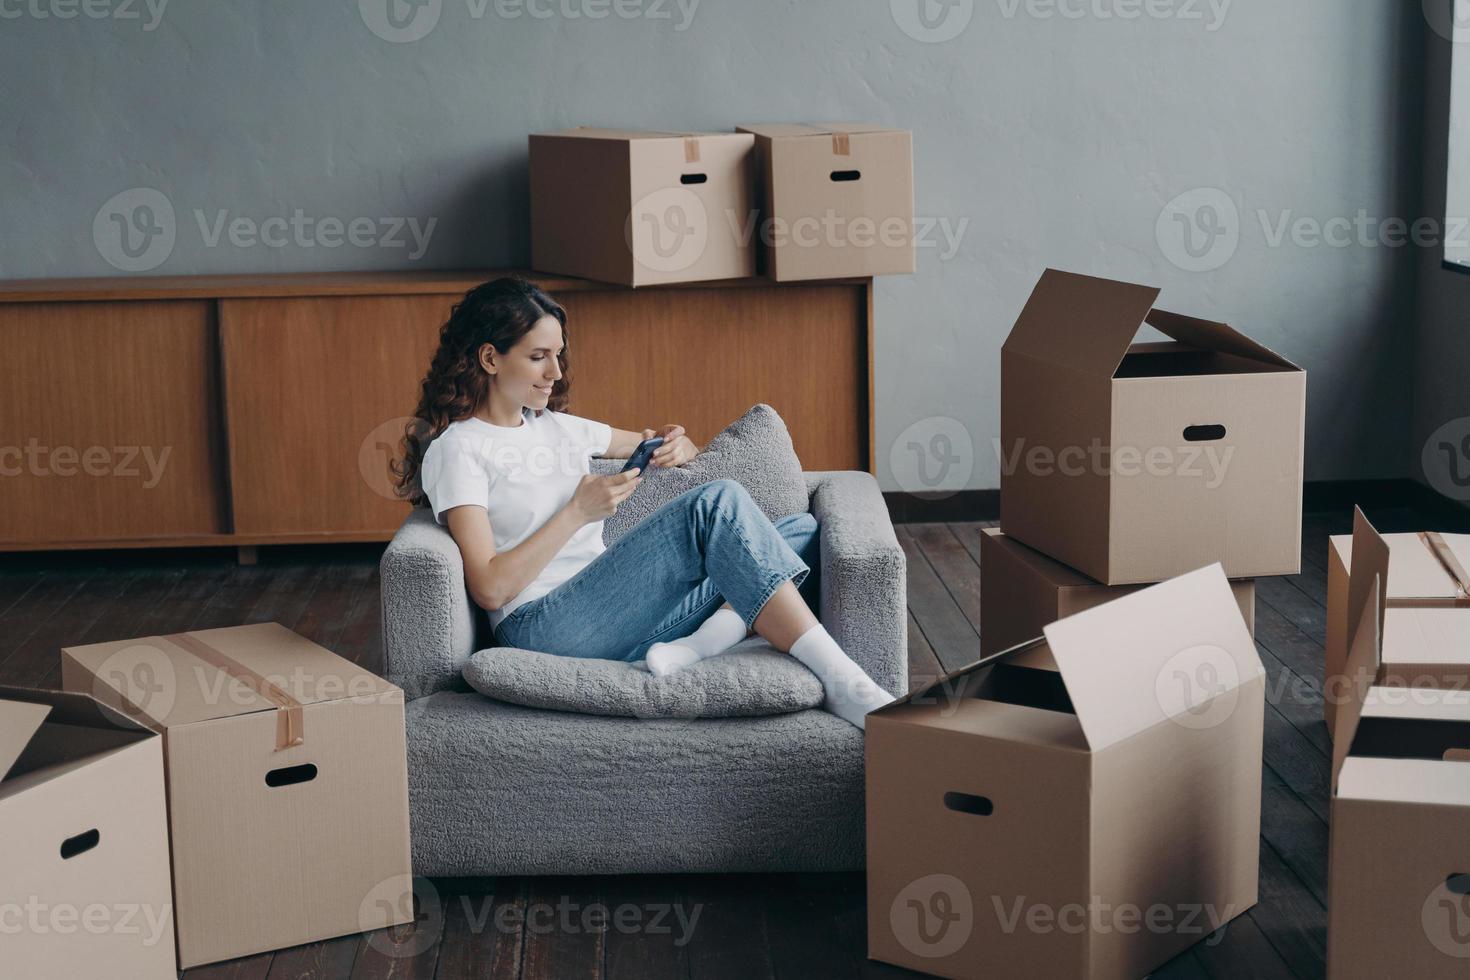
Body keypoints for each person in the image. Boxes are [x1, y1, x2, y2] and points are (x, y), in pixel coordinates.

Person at [394, 277, 895, 728]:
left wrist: (681, 444)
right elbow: (489, 586)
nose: (555, 372)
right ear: (489, 358)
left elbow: (658, 439)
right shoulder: (458, 450)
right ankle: (844, 684)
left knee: (797, 531)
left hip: (614, 616)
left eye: (558, 355)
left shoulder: (558, 427)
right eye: (537, 356)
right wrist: (577, 512)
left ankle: (695, 646)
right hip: (542, 626)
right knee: (716, 506)